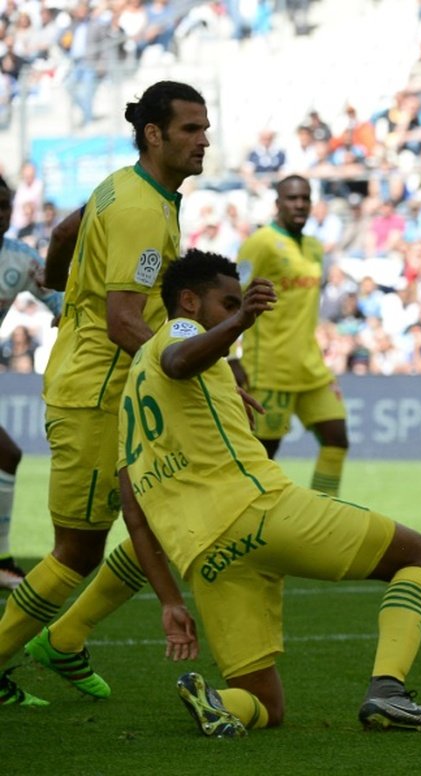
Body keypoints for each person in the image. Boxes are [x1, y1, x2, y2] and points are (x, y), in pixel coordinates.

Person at [120, 250, 421, 736]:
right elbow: (178, 359)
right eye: (226, 302)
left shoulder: (134, 390)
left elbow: (133, 511)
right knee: (419, 556)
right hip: (259, 510)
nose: (235, 312)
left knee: (266, 705)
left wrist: (170, 600)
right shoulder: (180, 332)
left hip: (204, 554)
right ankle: (389, 692)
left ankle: (217, 701)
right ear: (190, 302)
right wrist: (241, 319)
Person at [0, 81, 211, 707]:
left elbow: (65, 233)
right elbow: (123, 320)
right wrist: (190, 367)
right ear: (154, 134)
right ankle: (33, 645)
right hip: (95, 392)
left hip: (111, 385)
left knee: (163, 517)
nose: (204, 141)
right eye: (191, 130)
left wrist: (64, 288)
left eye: (205, 128)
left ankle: (64, 640)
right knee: (77, 549)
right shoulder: (144, 210)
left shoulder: (125, 184)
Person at [230, 175, 349, 497]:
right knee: (263, 455)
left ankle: (325, 513)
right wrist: (230, 356)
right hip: (269, 367)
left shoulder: (314, 247)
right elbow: (230, 298)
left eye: (305, 199)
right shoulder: (260, 243)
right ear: (277, 203)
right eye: (292, 198)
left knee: (336, 439)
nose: (299, 204)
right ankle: (245, 519)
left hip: (309, 365)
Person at [0, 177, 64, 590]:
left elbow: (61, 298)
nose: (0, 213)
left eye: (4, 205)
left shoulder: (20, 259)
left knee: (7, 455)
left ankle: (2, 558)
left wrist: (70, 312)